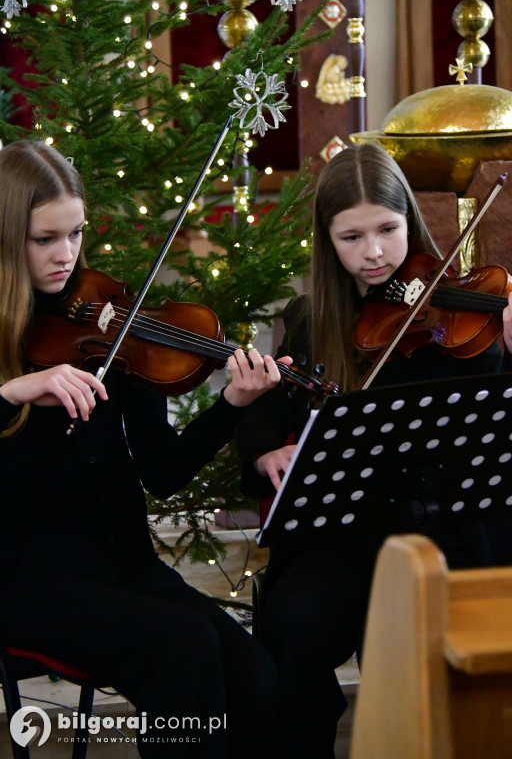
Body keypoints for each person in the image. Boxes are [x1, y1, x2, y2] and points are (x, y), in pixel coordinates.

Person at [0, 139, 293, 758]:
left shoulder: (111, 322)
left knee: (257, 679)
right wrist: (13, 391)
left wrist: (231, 406)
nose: (65, 256)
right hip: (24, 578)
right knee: (181, 647)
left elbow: (161, 472)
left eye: (75, 234)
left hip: (122, 567)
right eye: (44, 239)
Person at [234, 142, 512, 759]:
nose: (375, 253)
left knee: (467, 625)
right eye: (352, 237)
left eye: (388, 230)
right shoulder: (313, 319)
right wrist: (262, 455)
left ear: (409, 221)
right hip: (347, 535)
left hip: (447, 528)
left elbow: (497, 415)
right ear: (328, 243)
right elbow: (263, 406)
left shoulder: (458, 317)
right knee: (291, 624)